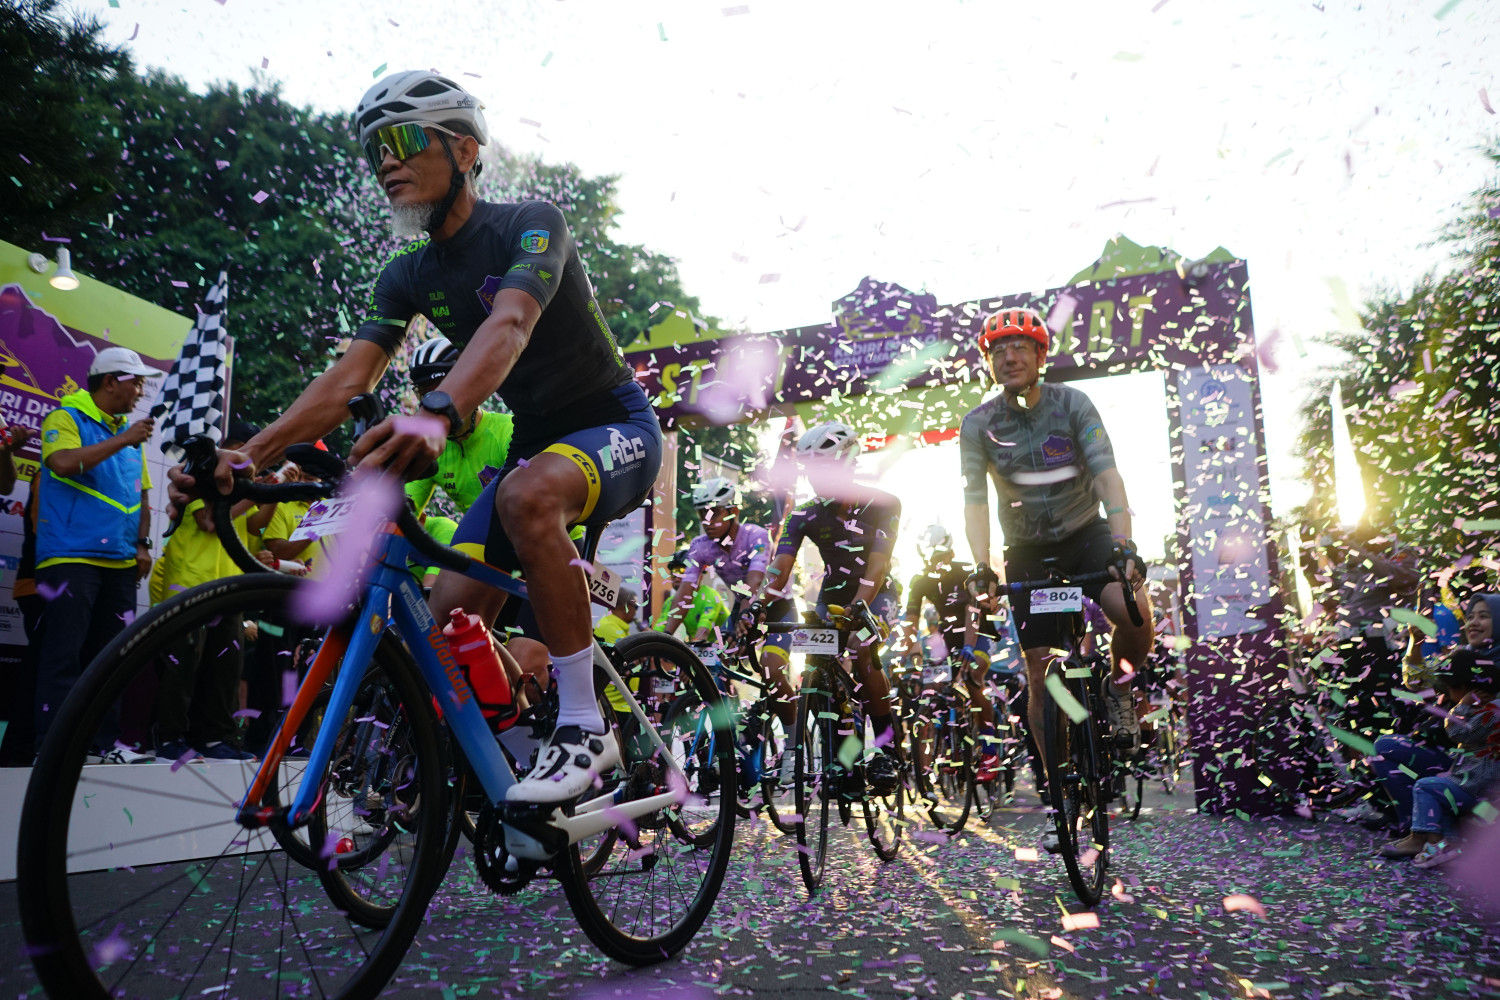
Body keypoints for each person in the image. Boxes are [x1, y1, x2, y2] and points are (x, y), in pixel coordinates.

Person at [169, 72, 660, 805]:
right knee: (446, 624)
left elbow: (511, 324)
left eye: (401, 141)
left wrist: (437, 412)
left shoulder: (531, 223)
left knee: (525, 495)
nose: (387, 162)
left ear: (464, 150)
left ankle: (585, 726)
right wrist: (250, 456)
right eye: (375, 151)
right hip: (535, 448)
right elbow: (348, 379)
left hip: (614, 424)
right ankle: (519, 756)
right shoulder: (406, 274)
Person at [959, 306, 1153, 779]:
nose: (1009, 358)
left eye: (1020, 347)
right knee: (1041, 671)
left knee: (1133, 612)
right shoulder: (978, 424)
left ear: (1041, 356)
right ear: (989, 363)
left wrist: (1124, 544)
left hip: (1087, 534)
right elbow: (975, 502)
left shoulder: (1073, 404)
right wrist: (981, 566)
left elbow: (1107, 475)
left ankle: (1119, 688)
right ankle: (1059, 787)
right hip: (1027, 552)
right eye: (998, 351)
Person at [757, 420, 902, 793]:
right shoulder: (803, 514)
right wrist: (758, 603)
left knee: (863, 649)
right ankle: (844, 762)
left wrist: (858, 606)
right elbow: (780, 568)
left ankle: (887, 750)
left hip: (877, 594)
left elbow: (877, 565)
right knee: (818, 664)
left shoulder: (884, 503)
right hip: (831, 598)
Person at [33, 347, 164, 760]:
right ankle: (53, 751)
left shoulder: (129, 432)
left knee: (111, 660)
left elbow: (142, 495)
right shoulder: (66, 417)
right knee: (64, 656)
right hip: (71, 556)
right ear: (109, 382)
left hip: (121, 562)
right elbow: (62, 463)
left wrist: (142, 544)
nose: (140, 391)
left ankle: (104, 747)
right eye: (135, 382)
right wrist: (123, 439)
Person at [151, 422, 277, 762]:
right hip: (189, 584)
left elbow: (254, 524)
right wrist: (253, 493)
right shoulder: (199, 476)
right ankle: (171, 738)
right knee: (182, 665)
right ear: (231, 448)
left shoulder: (241, 485)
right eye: (244, 451)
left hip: (229, 587)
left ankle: (216, 739)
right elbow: (209, 521)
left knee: (226, 669)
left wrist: (273, 491)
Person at [1379, 593, 1500, 864]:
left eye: (1484, 616)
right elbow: (1415, 682)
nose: (1473, 623)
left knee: (1433, 784)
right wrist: (1416, 641)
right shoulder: (1463, 657)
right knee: (1384, 748)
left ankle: (1441, 834)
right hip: (1459, 759)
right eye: (1470, 616)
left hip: (1486, 772)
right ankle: (1420, 832)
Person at [896, 524, 1004, 782]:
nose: (936, 563)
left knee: (972, 676)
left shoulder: (965, 572)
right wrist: (907, 651)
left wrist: (968, 647)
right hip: (946, 638)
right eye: (931, 559)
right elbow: (911, 619)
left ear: (951, 553)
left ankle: (990, 753)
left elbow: (972, 611)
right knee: (935, 686)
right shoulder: (920, 580)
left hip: (978, 633)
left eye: (941, 557)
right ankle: (950, 744)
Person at [660, 477, 771, 633]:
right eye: (702, 514)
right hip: (742, 603)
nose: (707, 521)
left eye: (715, 513)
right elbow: (684, 593)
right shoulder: (700, 546)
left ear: (734, 512)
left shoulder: (756, 536)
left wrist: (744, 615)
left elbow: (755, 581)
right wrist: (666, 636)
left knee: (769, 650)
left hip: (775, 604)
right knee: (723, 648)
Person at [655, 549, 731, 642]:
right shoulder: (670, 602)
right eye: (674, 572)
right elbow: (658, 632)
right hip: (701, 646)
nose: (677, 578)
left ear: (700, 576)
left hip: (726, 645)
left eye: (682, 572)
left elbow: (703, 633)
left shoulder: (710, 596)